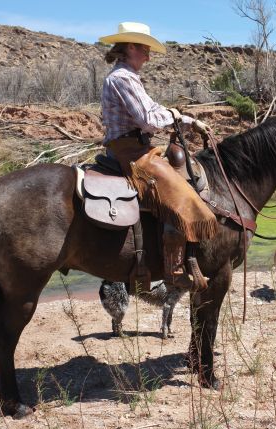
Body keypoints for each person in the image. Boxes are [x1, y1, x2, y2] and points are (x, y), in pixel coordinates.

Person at [99, 22, 218, 291]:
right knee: (180, 197)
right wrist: (177, 117)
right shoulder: (122, 78)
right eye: (145, 49)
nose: (148, 56)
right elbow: (148, 119)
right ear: (130, 47)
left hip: (137, 148)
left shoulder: (128, 77)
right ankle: (174, 271)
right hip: (132, 153)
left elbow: (153, 109)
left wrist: (189, 121)